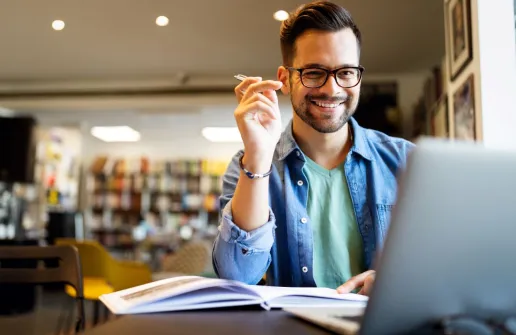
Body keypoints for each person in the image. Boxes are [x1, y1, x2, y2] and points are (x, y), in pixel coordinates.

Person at [212, 0, 414, 296]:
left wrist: (397, 281)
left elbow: (447, 262)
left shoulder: (406, 161)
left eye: (345, 72)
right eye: (314, 72)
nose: (331, 89)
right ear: (285, 79)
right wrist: (258, 155)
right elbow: (238, 277)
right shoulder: (248, 166)